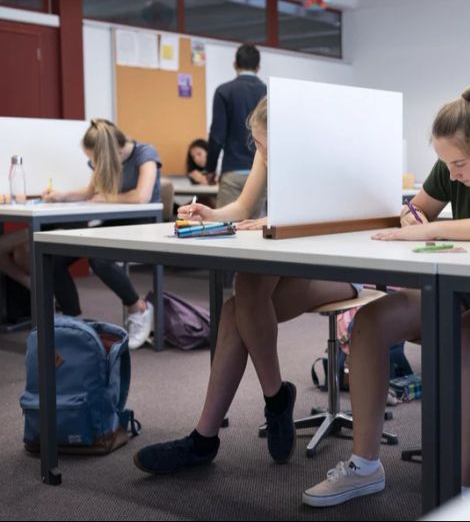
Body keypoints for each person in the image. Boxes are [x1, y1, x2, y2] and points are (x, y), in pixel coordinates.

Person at [303, 87, 470, 507]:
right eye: (445, 163)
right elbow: (418, 212)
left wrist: (432, 228)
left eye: (459, 163)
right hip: (460, 289)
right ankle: (364, 466)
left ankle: (459, 490)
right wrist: (413, 216)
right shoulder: (449, 170)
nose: (451, 173)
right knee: (370, 323)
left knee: (468, 336)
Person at [133, 98, 362, 474]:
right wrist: (212, 214)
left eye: (268, 147)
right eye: (257, 145)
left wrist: (277, 221)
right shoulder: (268, 152)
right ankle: (270, 401)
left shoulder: (324, 157)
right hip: (290, 256)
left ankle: (209, 438)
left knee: (241, 302)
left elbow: (339, 220)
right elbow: (242, 207)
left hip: (338, 264)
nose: (262, 153)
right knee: (239, 301)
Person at [43, 119, 162, 347]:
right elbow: (90, 192)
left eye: (95, 159)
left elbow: (141, 196)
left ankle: (139, 308)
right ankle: (73, 322)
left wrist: (107, 197)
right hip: (114, 223)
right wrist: (61, 195)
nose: (93, 163)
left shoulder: (146, 153)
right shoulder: (106, 161)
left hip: (144, 224)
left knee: (99, 258)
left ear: (111, 152)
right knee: (54, 254)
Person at [207, 43, 267, 215]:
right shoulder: (268, 92)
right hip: (263, 173)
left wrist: (210, 169)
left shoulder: (223, 91)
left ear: (235, 65)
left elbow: (217, 135)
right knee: (254, 231)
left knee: (225, 230)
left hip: (233, 170)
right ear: (258, 67)